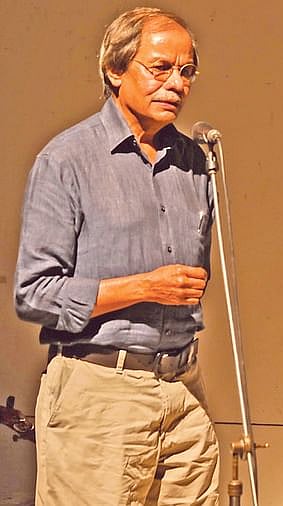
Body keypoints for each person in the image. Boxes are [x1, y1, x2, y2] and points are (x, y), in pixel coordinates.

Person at [14, 7, 219, 505]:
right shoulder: (67, 160)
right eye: (160, 68)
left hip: (184, 387)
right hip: (99, 393)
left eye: (187, 70)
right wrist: (143, 287)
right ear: (115, 69)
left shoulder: (196, 162)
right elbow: (33, 294)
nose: (177, 83)